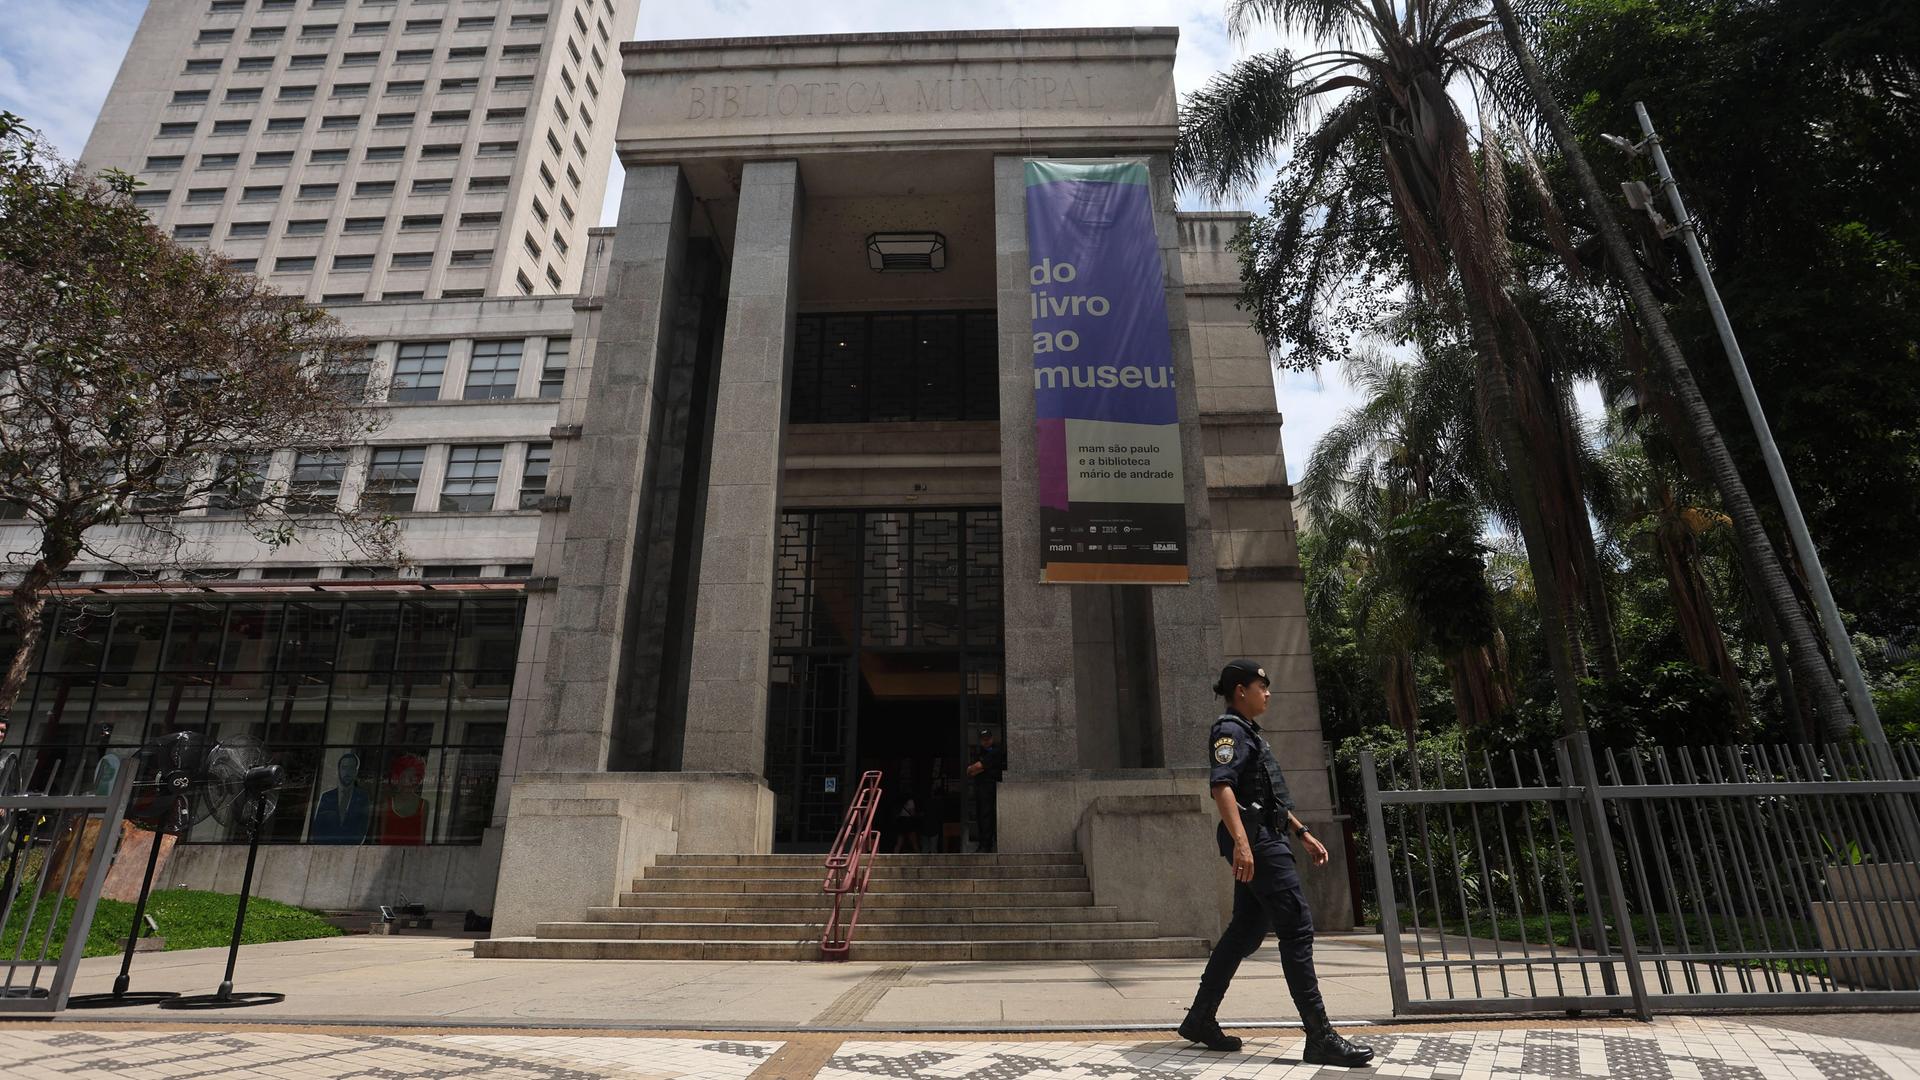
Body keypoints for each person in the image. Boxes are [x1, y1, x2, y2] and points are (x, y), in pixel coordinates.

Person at [1178, 659, 1373, 1067]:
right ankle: (1319, 1035)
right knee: (1297, 928)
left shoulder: (1250, 733)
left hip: (1266, 836)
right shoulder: (1229, 730)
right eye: (1260, 686)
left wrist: (1301, 832)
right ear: (1240, 692)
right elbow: (1222, 787)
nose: (1268, 693)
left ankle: (1199, 1018)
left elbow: (1266, 798)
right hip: (1259, 844)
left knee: (1244, 933)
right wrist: (1243, 844)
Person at [965, 728, 1005, 853]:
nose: (986, 742)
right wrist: (978, 768)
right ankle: (982, 844)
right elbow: (969, 771)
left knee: (987, 816)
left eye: (988, 739)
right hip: (980, 788)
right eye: (984, 740)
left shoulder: (995, 752)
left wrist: (978, 767)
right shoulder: (979, 752)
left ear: (992, 739)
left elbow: (977, 767)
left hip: (990, 788)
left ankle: (986, 845)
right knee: (980, 816)